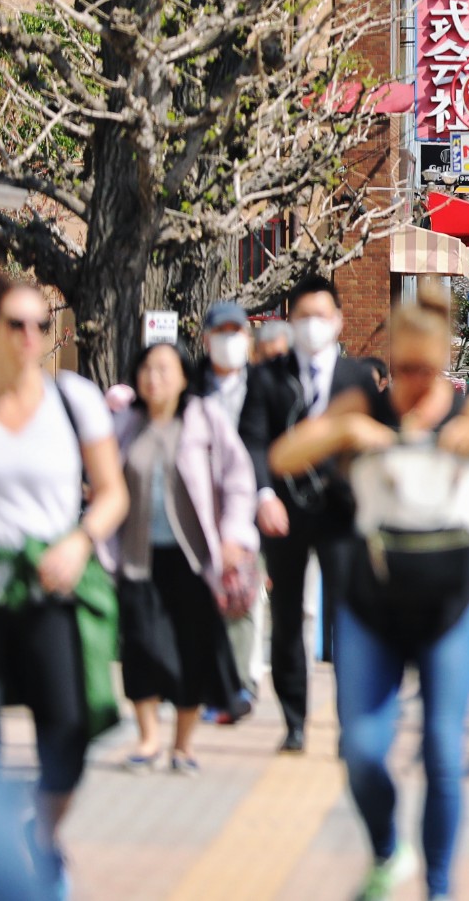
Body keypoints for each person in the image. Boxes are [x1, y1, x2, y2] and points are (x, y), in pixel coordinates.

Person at [269, 294, 469, 901]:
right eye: (405, 370)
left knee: (443, 753)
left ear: (446, 360)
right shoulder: (364, 403)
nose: (416, 385)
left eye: (428, 370)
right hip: (373, 605)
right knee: (362, 750)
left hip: (451, 608)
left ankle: (440, 887)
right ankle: (385, 851)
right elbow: (283, 456)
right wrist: (344, 430)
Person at [0, 276, 127, 897]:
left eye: (39, 325)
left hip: (51, 592)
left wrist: (78, 542)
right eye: (14, 325)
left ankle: (40, 838)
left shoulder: (73, 399)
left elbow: (113, 492)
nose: (28, 337)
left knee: (69, 729)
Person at [237, 273, 378, 754]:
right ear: (289, 321)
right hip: (285, 511)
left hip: (342, 515)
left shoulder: (357, 378)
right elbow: (253, 440)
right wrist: (263, 495)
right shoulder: (267, 376)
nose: (313, 325)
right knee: (289, 615)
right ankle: (294, 720)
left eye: (322, 316)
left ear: (338, 321)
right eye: (304, 317)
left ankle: (348, 723)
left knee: (348, 619)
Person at [107, 340, 258, 773]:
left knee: (192, 648)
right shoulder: (126, 424)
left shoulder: (203, 418)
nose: (154, 378)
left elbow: (238, 478)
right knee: (139, 644)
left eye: (164, 369)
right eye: (146, 369)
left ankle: (183, 744)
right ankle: (149, 737)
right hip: (137, 556)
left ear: (184, 377)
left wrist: (233, 536)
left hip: (194, 559)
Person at [196, 299, 268, 719]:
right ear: (206, 339)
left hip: (251, 504)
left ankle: (241, 683)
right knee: (203, 598)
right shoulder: (193, 387)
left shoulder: (263, 385)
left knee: (242, 593)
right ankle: (212, 684)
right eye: (221, 333)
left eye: (236, 332)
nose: (229, 341)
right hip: (200, 507)